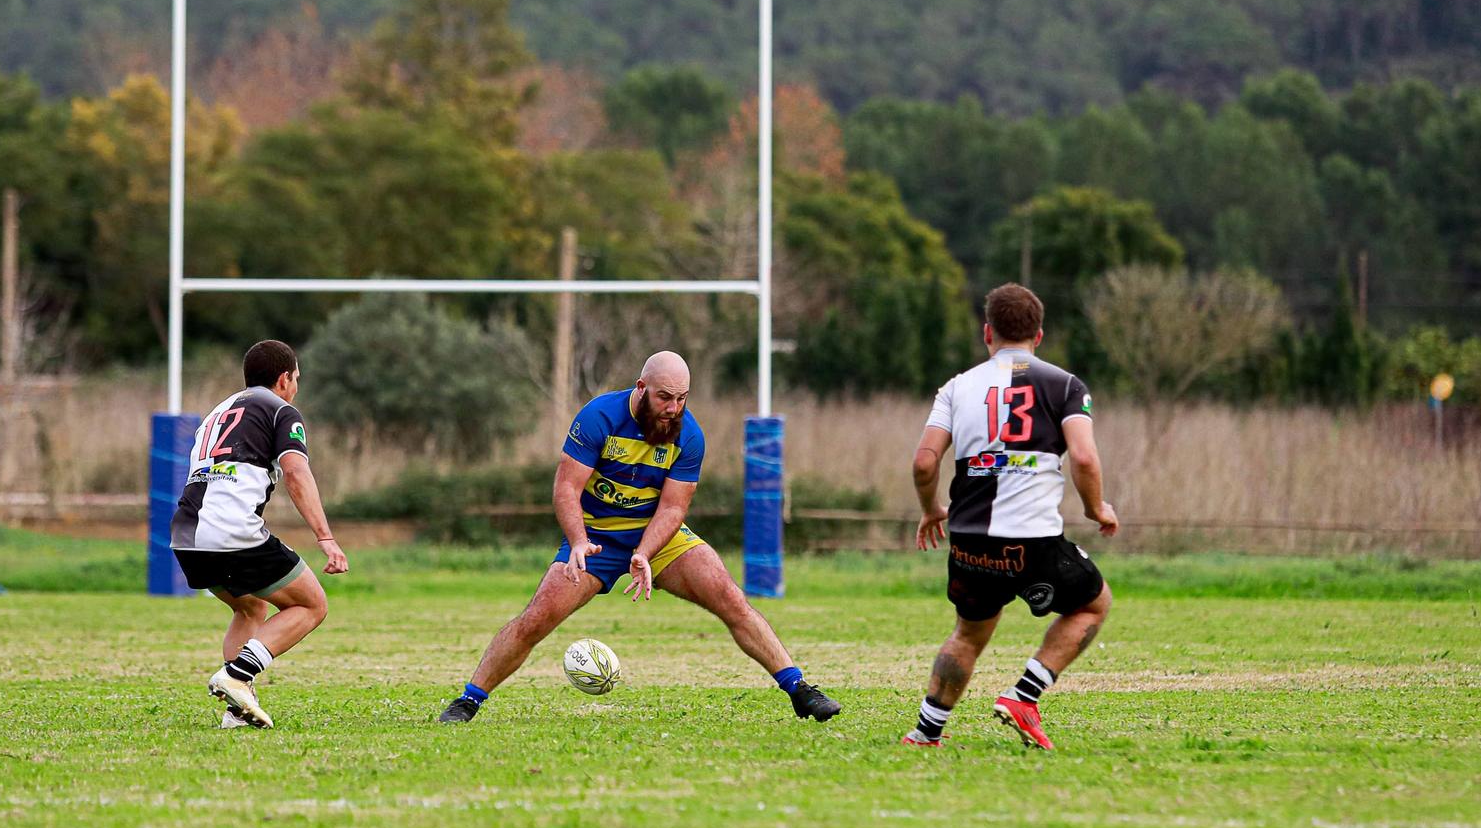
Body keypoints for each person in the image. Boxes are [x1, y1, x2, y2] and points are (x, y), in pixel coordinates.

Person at [438, 350, 842, 724]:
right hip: (594, 539)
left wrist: (645, 553)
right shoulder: (599, 417)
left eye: (682, 398)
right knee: (536, 619)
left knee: (729, 597)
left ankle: (800, 689)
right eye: (665, 397)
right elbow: (566, 488)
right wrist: (578, 541)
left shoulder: (688, 436)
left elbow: (672, 509)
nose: (673, 408)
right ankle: (469, 700)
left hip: (657, 538)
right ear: (641, 388)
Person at [902, 284, 1118, 751]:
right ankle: (1024, 696)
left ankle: (926, 732)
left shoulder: (957, 388)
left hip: (970, 538)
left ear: (987, 333)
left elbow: (923, 463)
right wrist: (1096, 508)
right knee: (1094, 604)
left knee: (969, 631)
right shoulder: (1065, 385)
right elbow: (1083, 457)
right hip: (1033, 540)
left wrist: (931, 510)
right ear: (1039, 336)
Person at [170, 339, 349, 729]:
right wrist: (326, 537)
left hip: (186, 533)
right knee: (312, 604)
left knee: (250, 607)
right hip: (230, 530)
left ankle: (237, 712)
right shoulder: (281, 410)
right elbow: (296, 473)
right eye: (296, 378)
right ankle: (236, 676)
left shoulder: (217, 412)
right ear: (284, 379)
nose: (296, 387)